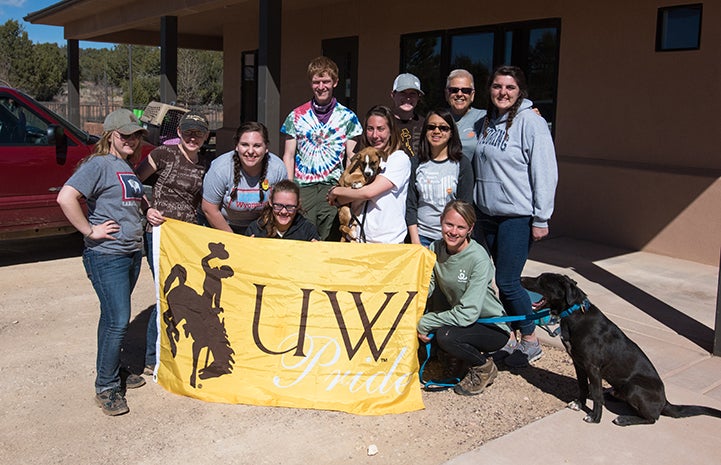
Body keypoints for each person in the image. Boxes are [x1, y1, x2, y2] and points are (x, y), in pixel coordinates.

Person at [56, 108, 148, 416]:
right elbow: (66, 197)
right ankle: (106, 386)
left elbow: (127, 203)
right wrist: (89, 230)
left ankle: (113, 369)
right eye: (125, 135)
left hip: (130, 252)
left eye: (136, 135)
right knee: (118, 319)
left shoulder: (125, 166)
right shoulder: (98, 164)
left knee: (111, 318)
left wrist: (147, 211)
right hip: (107, 256)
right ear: (110, 135)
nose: (132, 141)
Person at [473, 65, 558, 367]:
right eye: (497, 86)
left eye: (509, 87)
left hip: (516, 216)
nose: (502, 93)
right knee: (495, 282)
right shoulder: (486, 121)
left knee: (507, 280)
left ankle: (531, 339)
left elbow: (545, 171)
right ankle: (509, 338)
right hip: (486, 215)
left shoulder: (531, 123)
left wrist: (541, 217)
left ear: (520, 91)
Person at [134, 111, 210, 375]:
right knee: (164, 292)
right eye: (188, 131)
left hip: (187, 237)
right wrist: (147, 209)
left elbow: (203, 203)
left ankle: (175, 349)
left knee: (183, 294)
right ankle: (152, 357)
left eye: (198, 133)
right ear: (179, 132)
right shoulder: (163, 155)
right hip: (159, 233)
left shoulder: (205, 164)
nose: (192, 137)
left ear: (205, 137)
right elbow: (133, 183)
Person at [417, 200, 510, 396]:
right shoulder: (435, 247)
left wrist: (426, 322)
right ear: (441, 221)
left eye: (461, 227)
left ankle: (483, 367)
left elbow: (468, 313)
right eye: (449, 224)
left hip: (489, 324)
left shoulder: (478, 258)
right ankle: (454, 359)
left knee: (447, 336)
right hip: (459, 318)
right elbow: (429, 286)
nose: (453, 231)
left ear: (470, 229)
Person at [281, 56, 363, 240]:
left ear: (335, 82)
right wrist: (290, 188)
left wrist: (348, 190)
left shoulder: (348, 118)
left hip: (332, 187)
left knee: (329, 238)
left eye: (325, 81)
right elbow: (289, 155)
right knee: (302, 237)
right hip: (303, 187)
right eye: (316, 82)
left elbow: (352, 156)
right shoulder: (296, 116)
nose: (321, 86)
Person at [327, 105, 411, 244]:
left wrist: (336, 191)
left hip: (387, 242)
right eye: (370, 129)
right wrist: (339, 196)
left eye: (381, 129)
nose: (375, 135)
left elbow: (368, 192)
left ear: (391, 131)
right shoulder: (363, 158)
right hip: (358, 239)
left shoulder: (399, 159)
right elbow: (340, 200)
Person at [202, 122, 288, 234]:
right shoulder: (220, 168)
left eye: (257, 146)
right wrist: (235, 240)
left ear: (266, 147)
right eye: (245, 145)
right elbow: (209, 209)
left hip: (261, 227)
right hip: (224, 225)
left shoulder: (277, 168)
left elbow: (284, 206)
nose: (251, 151)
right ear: (237, 146)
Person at [406, 109, 473, 247]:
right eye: (431, 127)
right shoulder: (416, 163)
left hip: (451, 238)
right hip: (421, 237)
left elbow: (466, 206)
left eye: (443, 128)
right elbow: (410, 205)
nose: (437, 131)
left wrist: (459, 242)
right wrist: (415, 241)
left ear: (451, 133)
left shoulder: (461, 163)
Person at [244, 179, 320, 241]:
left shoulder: (307, 230)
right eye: (278, 205)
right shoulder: (256, 229)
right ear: (271, 202)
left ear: (298, 205)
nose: (283, 211)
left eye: (290, 207)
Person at [445, 69, 486, 161]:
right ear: (446, 94)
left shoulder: (484, 118)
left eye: (466, 90)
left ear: (472, 95)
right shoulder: (438, 118)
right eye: (454, 90)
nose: (459, 94)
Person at [390, 73, 425, 157]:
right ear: (393, 95)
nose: (408, 97)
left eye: (412, 93)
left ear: (418, 97)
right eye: (403, 92)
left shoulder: (425, 124)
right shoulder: (384, 122)